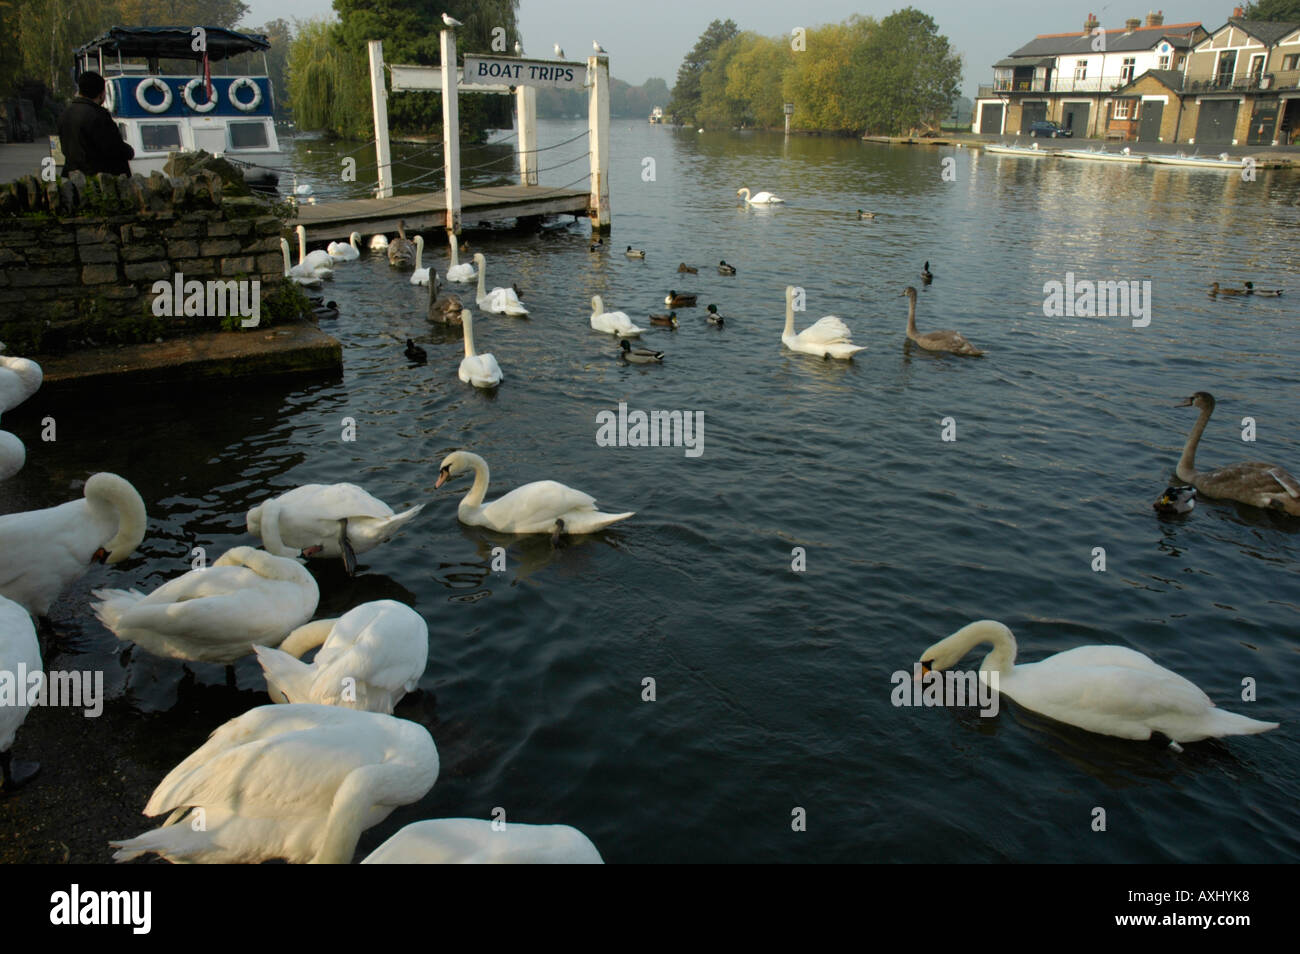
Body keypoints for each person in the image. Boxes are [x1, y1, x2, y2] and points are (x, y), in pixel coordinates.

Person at [57, 71, 134, 177]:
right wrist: (129, 151)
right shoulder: (98, 116)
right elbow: (113, 148)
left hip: (72, 173)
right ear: (101, 93)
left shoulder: (65, 113)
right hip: (97, 176)